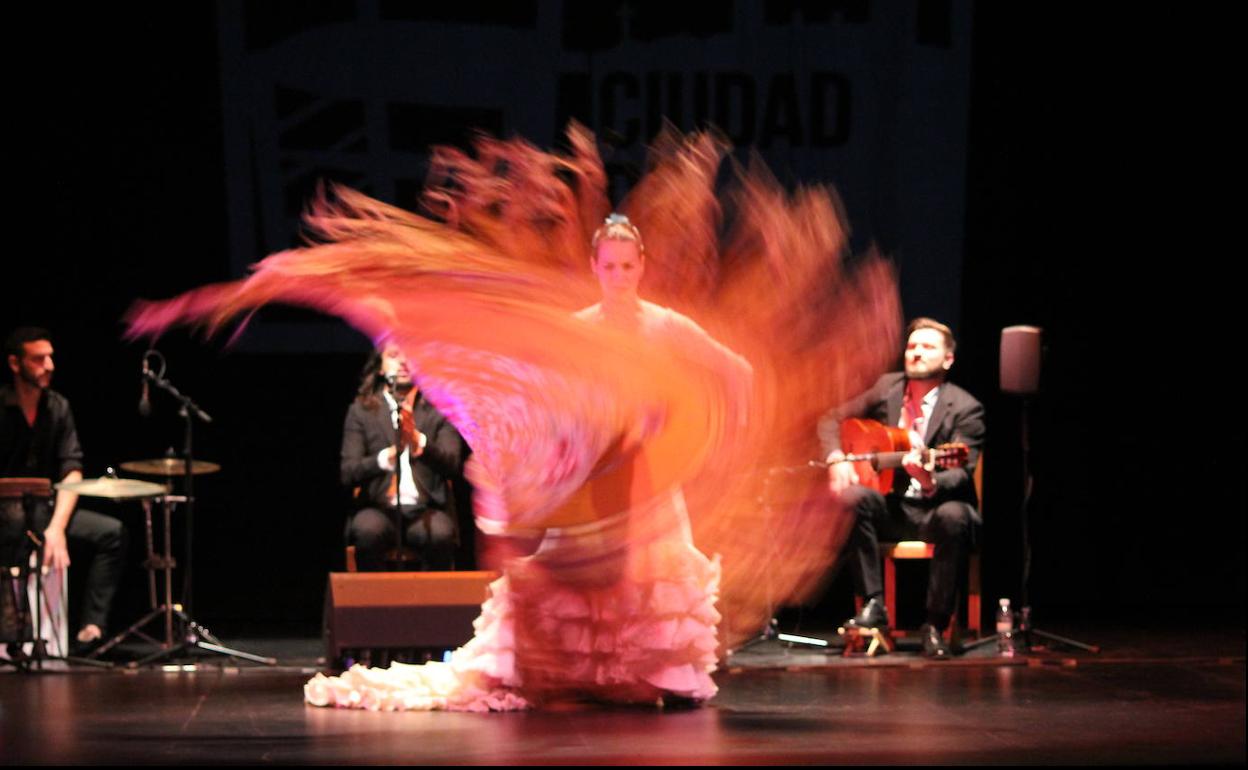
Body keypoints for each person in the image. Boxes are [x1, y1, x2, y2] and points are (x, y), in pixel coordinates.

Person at [818, 318, 983, 658]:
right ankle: (874, 606)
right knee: (852, 498)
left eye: (927, 347)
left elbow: (962, 472)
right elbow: (830, 419)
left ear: (948, 359)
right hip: (892, 508)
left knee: (955, 516)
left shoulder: (966, 408)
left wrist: (929, 479)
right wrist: (837, 458)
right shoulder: (886, 388)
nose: (916, 353)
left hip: (935, 511)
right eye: (911, 346)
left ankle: (935, 625)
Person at [0, 327, 128, 652]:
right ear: (15, 364)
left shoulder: (57, 407)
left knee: (111, 533)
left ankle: (90, 629)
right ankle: (15, 633)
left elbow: (72, 468)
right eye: (38, 359)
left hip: (44, 511)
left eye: (50, 357)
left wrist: (57, 527)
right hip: (5, 513)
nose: (49, 365)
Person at [340, 340, 469, 571]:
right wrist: (386, 458)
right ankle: (374, 596)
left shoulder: (440, 410)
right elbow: (348, 472)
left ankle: (431, 596)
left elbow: (452, 465)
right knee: (367, 531)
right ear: (380, 368)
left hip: (425, 509)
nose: (403, 362)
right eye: (393, 355)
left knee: (440, 534)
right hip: (378, 507)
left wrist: (418, 442)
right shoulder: (361, 411)